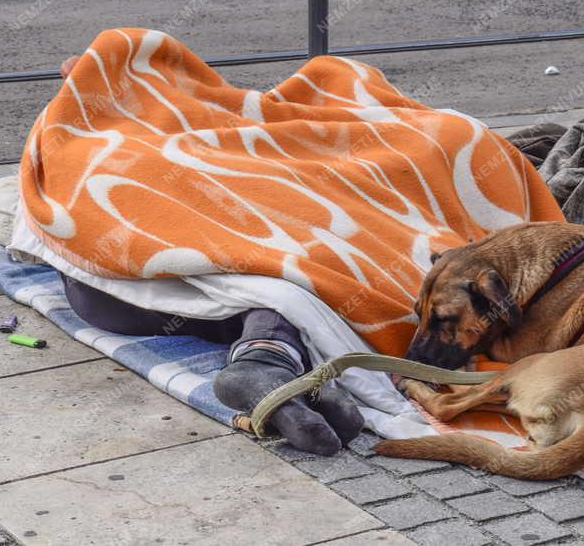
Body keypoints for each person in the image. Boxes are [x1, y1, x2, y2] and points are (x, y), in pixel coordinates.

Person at [56, 57, 363, 455]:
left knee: (254, 286)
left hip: (105, 300)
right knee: (278, 282)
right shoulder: (192, 137)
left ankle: (278, 372)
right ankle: (269, 358)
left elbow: (45, 220)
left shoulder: (67, 148)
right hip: (169, 283)